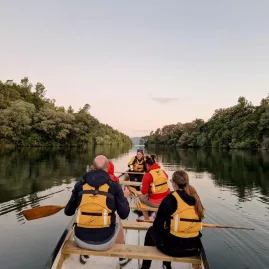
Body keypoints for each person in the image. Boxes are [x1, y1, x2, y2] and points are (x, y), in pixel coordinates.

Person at [64, 155, 131, 267]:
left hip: (80, 240)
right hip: (105, 242)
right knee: (117, 218)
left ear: (92, 167)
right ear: (107, 168)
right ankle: (122, 258)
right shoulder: (115, 186)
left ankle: (85, 255)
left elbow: (68, 212)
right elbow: (124, 214)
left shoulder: (79, 185)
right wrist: (124, 197)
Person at [140, 170, 204, 269]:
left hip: (173, 249)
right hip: (193, 248)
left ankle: (146, 267)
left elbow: (157, 226)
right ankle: (166, 265)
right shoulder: (196, 199)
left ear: (174, 184)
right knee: (168, 232)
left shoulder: (170, 199)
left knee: (150, 232)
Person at [138, 154, 170, 220]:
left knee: (139, 198)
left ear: (147, 165)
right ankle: (156, 215)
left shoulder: (147, 175)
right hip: (165, 200)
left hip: (155, 202)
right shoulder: (162, 171)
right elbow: (166, 178)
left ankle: (146, 219)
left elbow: (144, 192)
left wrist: (142, 188)